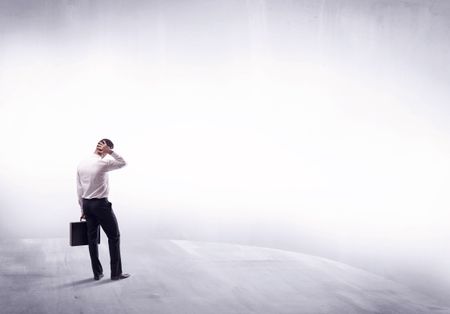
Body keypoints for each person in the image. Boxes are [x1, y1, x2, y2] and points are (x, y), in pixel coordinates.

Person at [76, 139, 130, 281]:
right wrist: (111, 152)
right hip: (100, 205)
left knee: (92, 239)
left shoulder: (82, 163)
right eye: (107, 150)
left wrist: (82, 207)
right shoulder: (103, 163)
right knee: (114, 236)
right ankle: (116, 273)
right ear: (105, 149)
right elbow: (123, 163)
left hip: (87, 204)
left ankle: (97, 273)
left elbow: (79, 188)